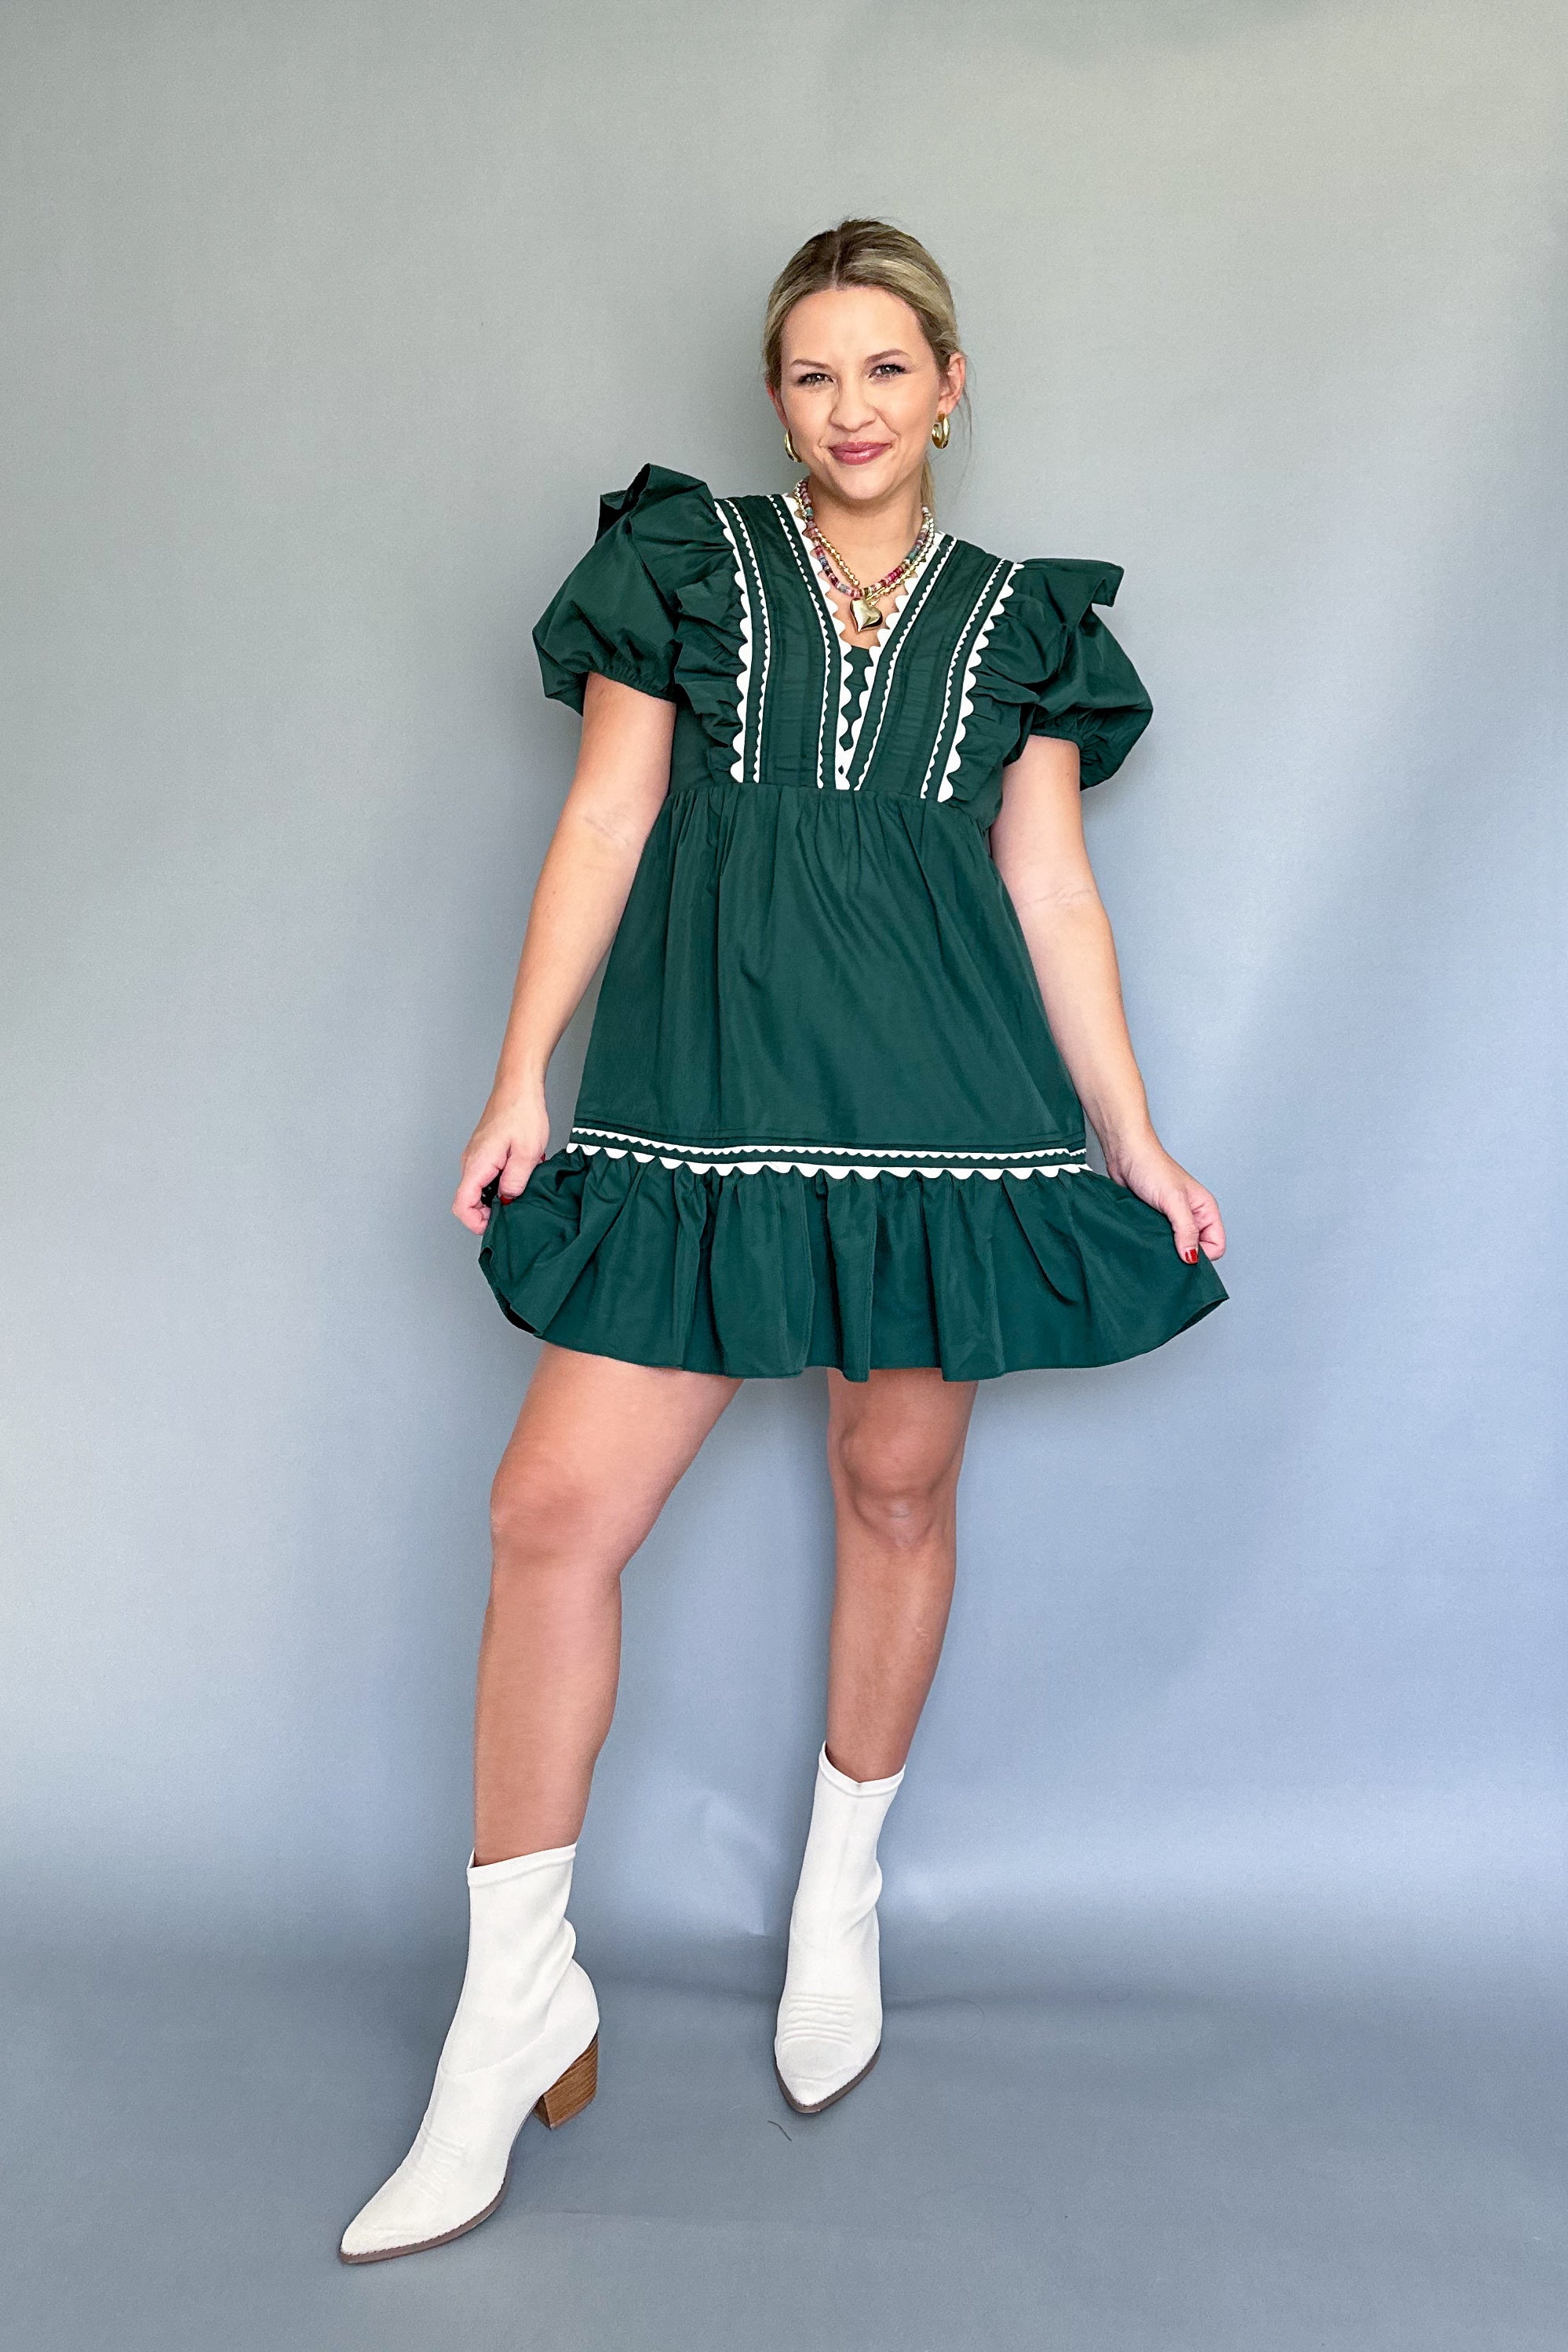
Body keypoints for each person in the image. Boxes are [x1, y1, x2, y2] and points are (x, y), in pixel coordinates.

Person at [339, 217, 1227, 2264]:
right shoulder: (687, 568)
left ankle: (841, 1897)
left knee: (892, 1488)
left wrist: (1134, 1134)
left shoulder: (1020, 622)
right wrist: (519, 1073)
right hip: (704, 1096)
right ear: (776, 397)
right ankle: (510, 2010)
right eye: (815, 373)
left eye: (887, 369)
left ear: (950, 386)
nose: (851, 407)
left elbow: (1054, 893)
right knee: (552, 1515)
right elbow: (606, 819)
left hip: (943, 1108)